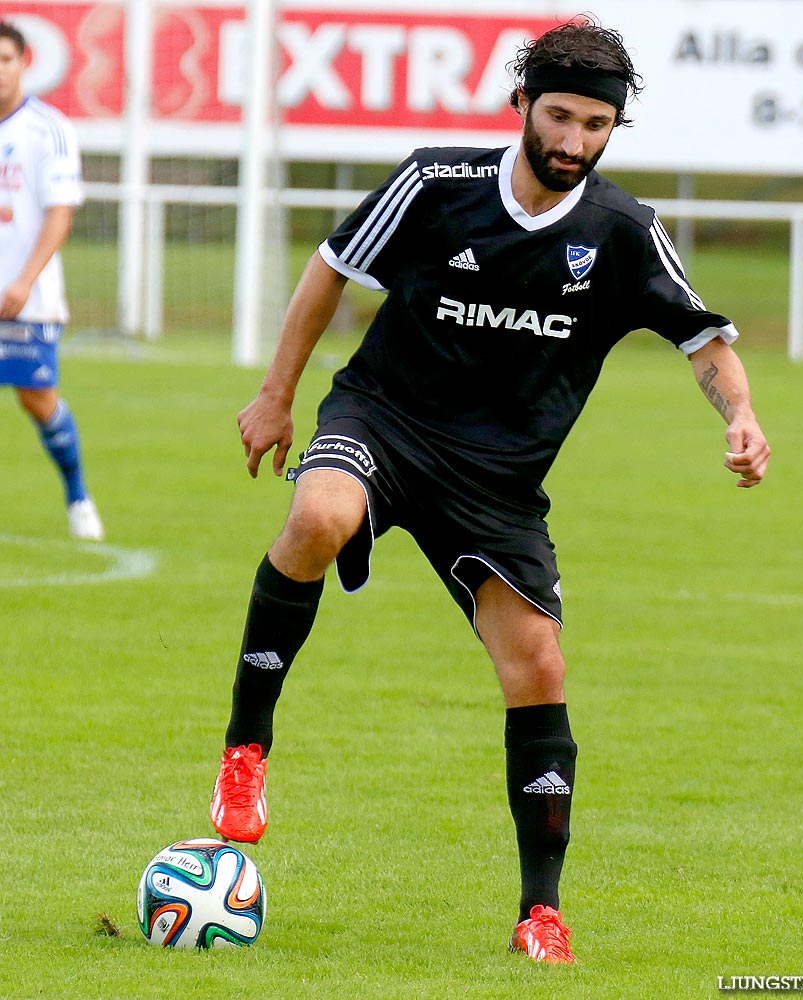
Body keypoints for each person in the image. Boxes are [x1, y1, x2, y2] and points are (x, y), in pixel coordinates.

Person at [210, 16, 769, 963]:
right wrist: (276, 395)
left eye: (596, 126)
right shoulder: (436, 183)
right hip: (383, 420)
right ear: (521, 105)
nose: (573, 142)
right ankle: (245, 753)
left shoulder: (623, 233)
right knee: (318, 512)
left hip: (498, 484)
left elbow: (701, 336)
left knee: (539, 669)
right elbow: (330, 272)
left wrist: (740, 417)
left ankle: (540, 913)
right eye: (558, 117)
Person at [0, 20, 103, 541]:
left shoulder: (49, 129)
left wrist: (22, 281)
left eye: (5, 60)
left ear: (24, 64)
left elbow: (59, 214)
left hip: (25, 299)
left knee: (36, 400)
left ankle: (78, 496)